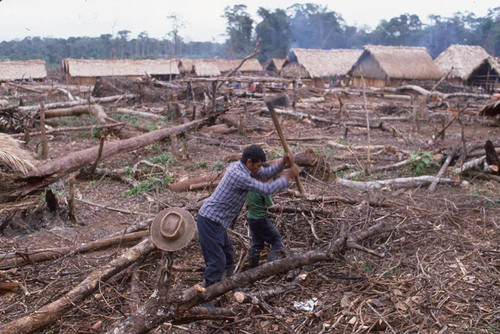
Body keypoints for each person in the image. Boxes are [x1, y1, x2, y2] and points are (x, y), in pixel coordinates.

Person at [196, 144, 300, 288]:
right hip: (209, 221)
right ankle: (206, 296)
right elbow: (266, 189)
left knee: (228, 257)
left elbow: (264, 174)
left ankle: (226, 287)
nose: (259, 169)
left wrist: (283, 163)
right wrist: (288, 176)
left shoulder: (243, 167)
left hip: (217, 222)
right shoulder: (238, 175)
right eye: (257, 166)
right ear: (249, 162)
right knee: (216, 263)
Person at [245, 180, 283, 268]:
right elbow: (270, 207)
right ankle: (271, 266)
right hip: (261, 219)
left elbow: (247, 205)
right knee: (276, 239)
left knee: (257, 243)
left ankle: (253, 267)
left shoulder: (248, 186)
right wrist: (277, 206)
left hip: (251, 219)